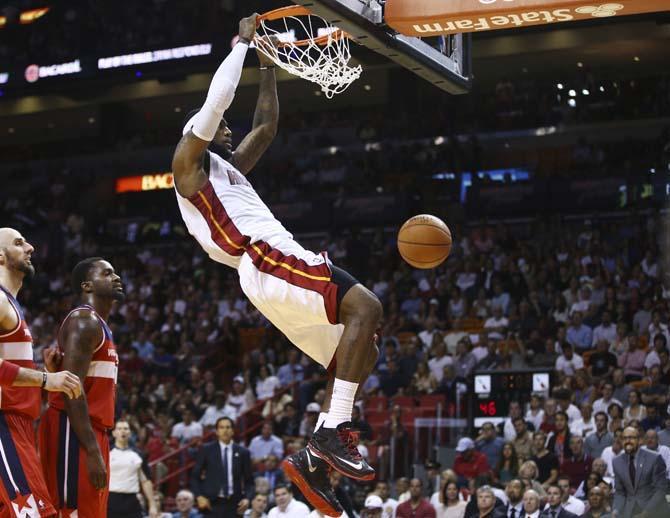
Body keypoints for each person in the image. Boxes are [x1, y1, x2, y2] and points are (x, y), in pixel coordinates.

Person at [172, 14, 382, 514]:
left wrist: (268, 65)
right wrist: (242, 45)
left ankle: (314, 461)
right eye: (216, 126)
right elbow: (215, 103)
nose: (226, 127)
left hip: (269, 267)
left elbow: (264, 127)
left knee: (363, 350)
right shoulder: (188, 168)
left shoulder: (227, 171)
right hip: (264, 258)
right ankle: (332, 433)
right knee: (366, 307)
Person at [0, 227, 83, 517]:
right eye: (19, 243)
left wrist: (42, 373)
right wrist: (48, 380)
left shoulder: (11, 304)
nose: (31, 247)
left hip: (18, 425)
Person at [39, 257, 124, 518]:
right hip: (72, 431)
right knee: (70, 511)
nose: (116, 277)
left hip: (89, 430)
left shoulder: (100, 325)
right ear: (87, 285)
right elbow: (71, 391)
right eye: (107, 273)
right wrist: (92, 450)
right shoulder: (84, 321)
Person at [190, 417, 254, 517]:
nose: (225, 430)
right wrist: (199, 496)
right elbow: (194, 477)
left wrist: (247, 499)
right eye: (221, 427)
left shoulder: (243, 452)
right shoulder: (206, 450)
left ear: (233, 431)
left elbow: (249, 481)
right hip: (212, 504)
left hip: (235, 504)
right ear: (217, 431)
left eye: (228, 427)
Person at [612, 426, 669, 517]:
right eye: (624, 438)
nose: (628, 441)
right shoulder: (617, 462)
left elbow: (661, 490)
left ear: (640, 440)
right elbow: (620, 492)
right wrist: (616, 510)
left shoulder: (655, 458)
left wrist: (646, 513)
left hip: (655, 511)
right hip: (630, 511)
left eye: (631, 438)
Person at [107, 420, 159, 518]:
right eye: (119, 429)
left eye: (126, 429)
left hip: (131, 500)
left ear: (130, 433)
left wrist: (152, 504)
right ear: (114, 433)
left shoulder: (139, 455)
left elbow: (145, 481)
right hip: (111, 499)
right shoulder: (106, 453)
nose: (123, 431)